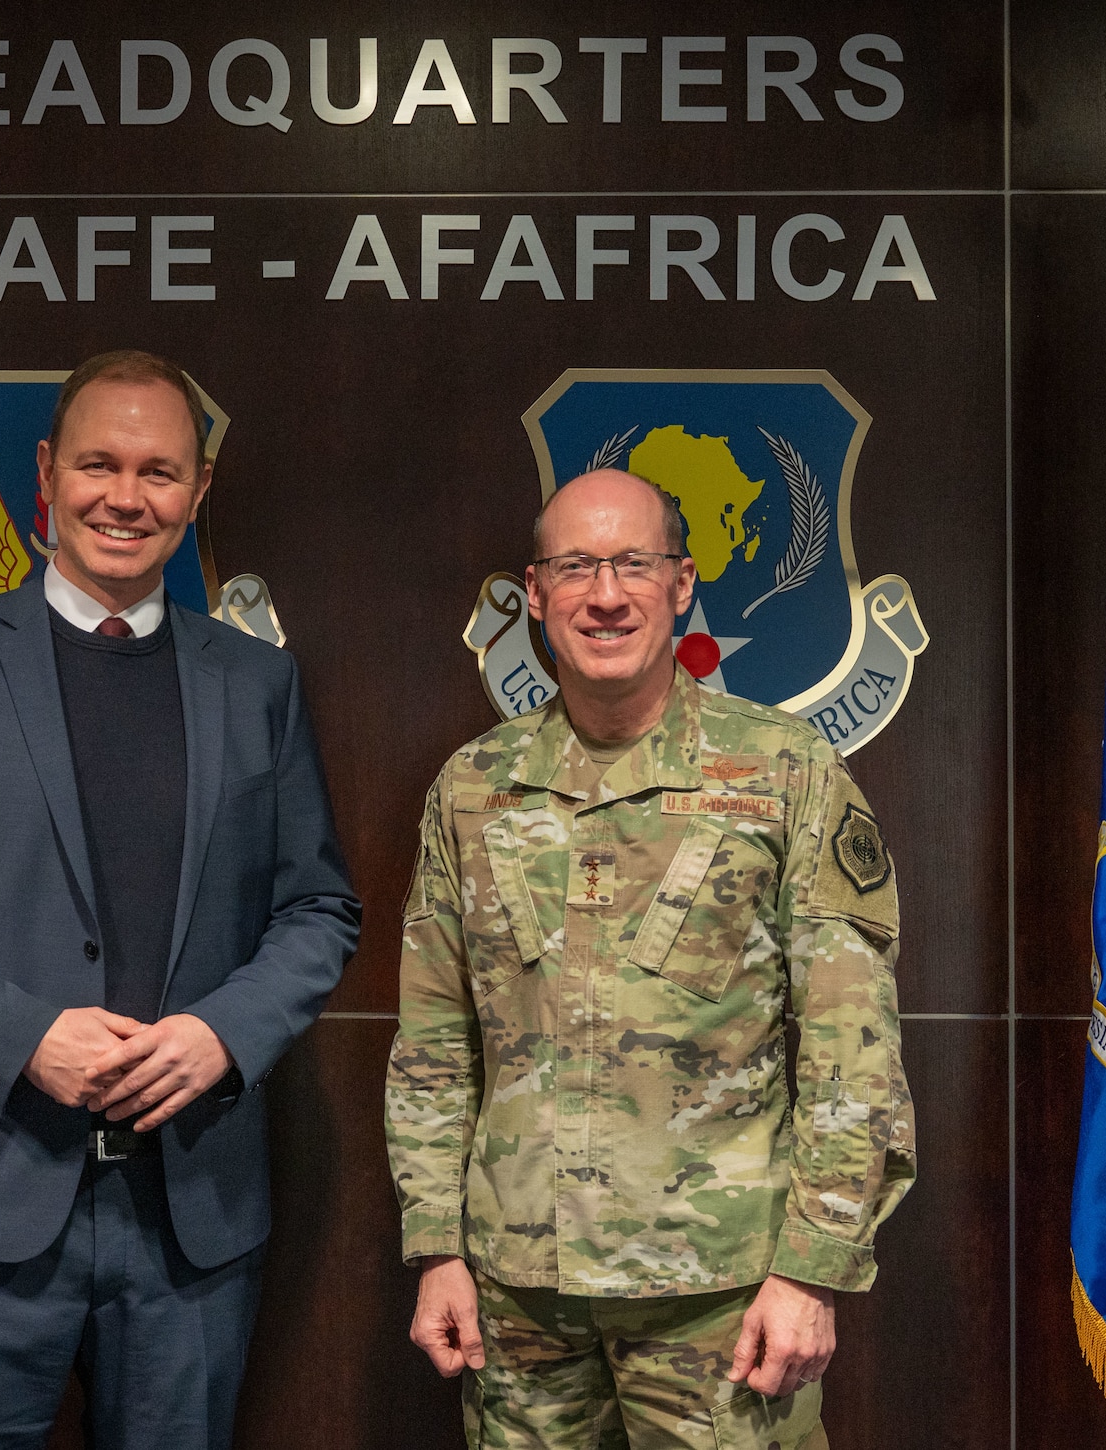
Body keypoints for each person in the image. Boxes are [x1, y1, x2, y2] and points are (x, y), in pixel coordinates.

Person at [0, 349, 360, 1450]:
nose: (126, 496)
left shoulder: (257, 685)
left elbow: (317, 910)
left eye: (159, 471)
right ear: (45, 476)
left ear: (199, 494)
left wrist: (222, 1033)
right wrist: (25, 1038)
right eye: (99, 464)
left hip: (185, 1228)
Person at [386, 469, 915, 1449]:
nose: (604, 592)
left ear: (680, 582)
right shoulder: (472, 788)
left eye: (633, 562)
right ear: (534, 593)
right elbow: (432, 1041)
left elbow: (852, 1040)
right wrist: (434, 1249)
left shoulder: (781, 770)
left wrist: (811, 1266)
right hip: (518, 1298)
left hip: (719, 1298)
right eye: (574, 566)